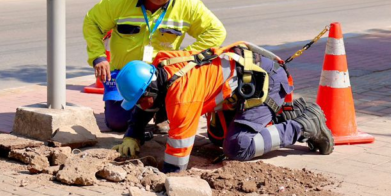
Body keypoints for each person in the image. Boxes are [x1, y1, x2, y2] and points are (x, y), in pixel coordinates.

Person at [111, 45, 334, 172]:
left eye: (141, 101)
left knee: (238, 147)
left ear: (151, 90)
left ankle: (303, 124)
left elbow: (177, 161)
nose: (139, 107)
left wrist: (161, 177)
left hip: (266, 80)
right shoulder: (161, 67)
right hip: (243, 82)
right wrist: (133, 135)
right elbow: (146, 104)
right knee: (217, 137)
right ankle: (288, 115)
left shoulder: (181, 98)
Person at [82, 0, 226, 132]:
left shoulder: (188, 5)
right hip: (124, 76)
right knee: (117, 124)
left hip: (162, 75)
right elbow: (92, 23)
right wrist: (98, 56)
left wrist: (182, 58)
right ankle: (134, 109)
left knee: (171, 121)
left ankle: (159, 111)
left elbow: (217, 32)